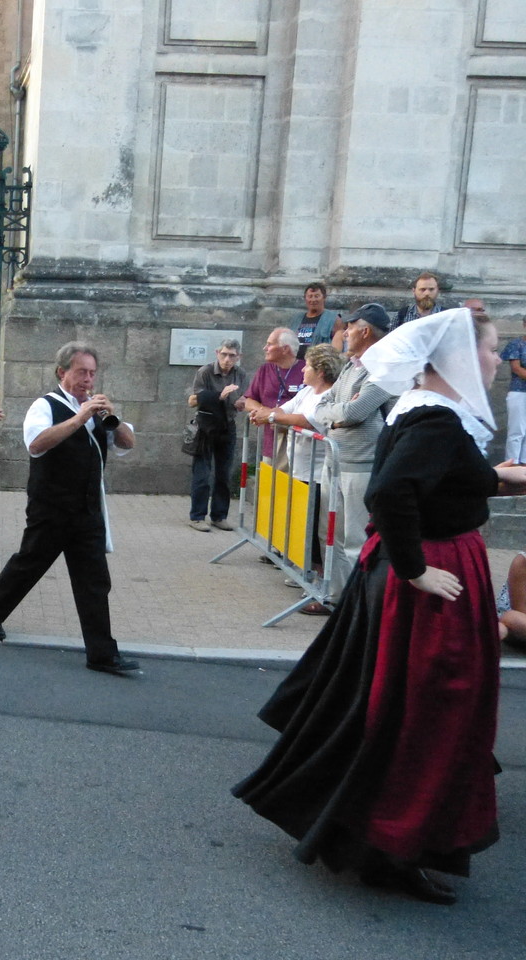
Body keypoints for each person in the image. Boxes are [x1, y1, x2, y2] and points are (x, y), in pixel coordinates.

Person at [233, 308, 524, 906]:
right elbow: (390, 491)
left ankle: (394, 830)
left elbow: (446, 480)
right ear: (460, 359)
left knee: (403, 705)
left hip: (428, 562)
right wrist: (418, 570)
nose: (497, 360)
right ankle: (391, 842)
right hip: (431, 572)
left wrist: (502, 480)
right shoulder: (436, 420)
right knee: (423, 709)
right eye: (491, 350)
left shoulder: (433, 413)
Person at [0, 342, 140, 676]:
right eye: (81, 372)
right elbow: (36, 444)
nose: (88, 380)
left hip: (87, 509)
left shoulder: (97, 411)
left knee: (94, 581)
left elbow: (127, 443)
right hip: (51, 507)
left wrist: (114, 418)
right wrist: (80, 417)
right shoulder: (44, 405)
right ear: (62, 372)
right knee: (29, 563)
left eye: (92, 373)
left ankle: (102, 654)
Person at [256, 343, 344, 615]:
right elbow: (286, 411)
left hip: (318, 474)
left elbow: (307, 421)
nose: (302, 369)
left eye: (307, 366)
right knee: (304, 528)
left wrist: (270, 416)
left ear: (320, 371)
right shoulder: (307, 390)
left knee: (319, 533)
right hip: (300, 470)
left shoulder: (328, 395)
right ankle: (311, 579)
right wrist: (270, 414)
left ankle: (325, 589)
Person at [314, 304, 394, 601]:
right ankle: (333, 597)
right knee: (330, 534)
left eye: (349, 327)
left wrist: (338, 413)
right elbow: (321, 405)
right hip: (335, 461)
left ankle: (355, 606)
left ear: (365, 330)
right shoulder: (350, 365)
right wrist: (339, 414)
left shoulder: (383, 368)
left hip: (360, 465)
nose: (344, 333)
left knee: (354, 539)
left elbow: (357, 412)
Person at [186, 339, 246, 532]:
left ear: (238, 357)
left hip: (227, 426)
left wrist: (241, 402)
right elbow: (197, 400)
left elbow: (242, 398)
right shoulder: (205, 372)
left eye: (232, 356)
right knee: (202, 473)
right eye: (224, 354)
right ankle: (197, 516)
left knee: (224, 474)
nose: (227, 359)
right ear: (217, 353)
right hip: (206, 427)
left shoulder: (241, 374)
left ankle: (219, 515)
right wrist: (221, 395)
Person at [242, 328, 305, 461]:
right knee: (269, 480)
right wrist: (268, 414)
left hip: (298, 445)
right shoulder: (265, 369)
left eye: (270, 344)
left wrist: (276, 417)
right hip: (270, 443)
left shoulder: (306, 370)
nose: (265, 348)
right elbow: (248, 401)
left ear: (285, 349)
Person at [501, 313, 526, 464]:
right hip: (519, 392)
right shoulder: (516, 344)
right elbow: (516, 368)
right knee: (517, 431)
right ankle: (512, 464)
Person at [294, 282, 340, 357]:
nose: (313, 299)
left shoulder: (334, 319)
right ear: (305, 298)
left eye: (317, 296)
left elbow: (338, 349)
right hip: (295, 364)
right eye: (310, 296)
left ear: (324, 297)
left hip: (317, 365)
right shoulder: (296, 319)